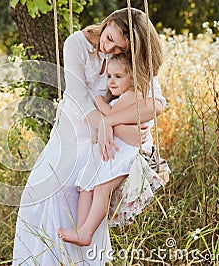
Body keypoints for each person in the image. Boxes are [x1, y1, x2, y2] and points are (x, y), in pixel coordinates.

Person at [12, 7, 166, 265]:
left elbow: (156, 103)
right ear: (106, 23)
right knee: (50, 196)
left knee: (89, 198)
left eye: (118, 48)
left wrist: (110, 122)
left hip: (103, 144)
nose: (109, 49)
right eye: (109, 39)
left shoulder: (130, 55)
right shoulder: (76, 44)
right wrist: (111, 125)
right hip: (73, 133)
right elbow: (80, 98)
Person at [58, 54, 167, 246]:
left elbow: (109, 116)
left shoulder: (133, 94)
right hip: (113, 152)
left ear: (132, 78)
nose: (111, 81)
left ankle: (86, 232)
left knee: (102, 187)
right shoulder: (120, 97)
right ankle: (81, 228)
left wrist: (99, 101)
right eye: (109, 76)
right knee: (86, 185)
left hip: (127, 153)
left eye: (118, 76)